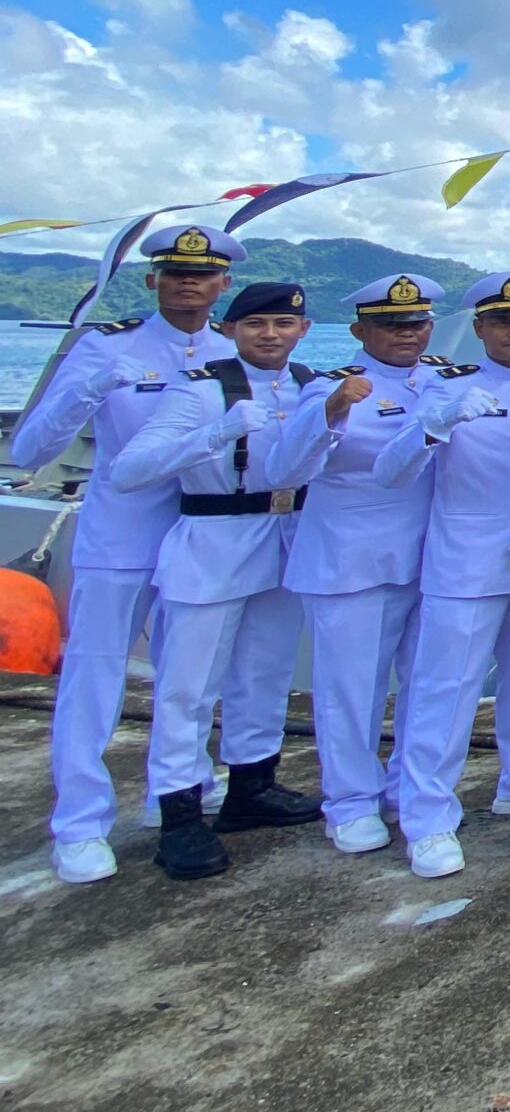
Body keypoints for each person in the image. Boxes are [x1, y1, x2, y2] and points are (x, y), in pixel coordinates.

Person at [13, 222, 246, 884]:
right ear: (154, 281)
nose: (189, 284)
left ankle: (173, 795)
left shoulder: (234, 353)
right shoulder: (108, 348)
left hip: (199, 537)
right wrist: (82, 390)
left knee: (190, 677)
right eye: (176, 273)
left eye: (203, 275)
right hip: (122, 537)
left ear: (223, 284)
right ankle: (80, 822)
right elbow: (30, 451)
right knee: (94, 678)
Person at [105, 279, 327, 880]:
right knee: (189, 684)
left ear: (302, 331)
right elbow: (129, 471)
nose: (271, 335)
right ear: (230, 330)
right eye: (256, 325)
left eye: (283, 324)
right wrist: (216, 433)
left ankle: (252, 786)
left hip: (285, 539)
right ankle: (178, 811)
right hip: (214, 541)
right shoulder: (199, 391)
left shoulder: (311, 386)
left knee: (266, 672)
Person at [372, 272, 510, 879]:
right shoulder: (442, 388)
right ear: (479, 328)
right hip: (467, 560)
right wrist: (437, 423)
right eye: (503, 321)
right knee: (445, 690)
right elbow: (391, 471)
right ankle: (426, 817)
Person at [272, 273, 450, 857]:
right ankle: (349, 803)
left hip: (429, 555)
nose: (407, 333)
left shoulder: (443, 380)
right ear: (359, 330)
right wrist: (328, 412)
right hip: (350, 559)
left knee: (427, 684)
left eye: (416, 322)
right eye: (390, 324)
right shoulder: (331, 386)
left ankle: (406, 788)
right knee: (351, 690)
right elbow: (287, 469)